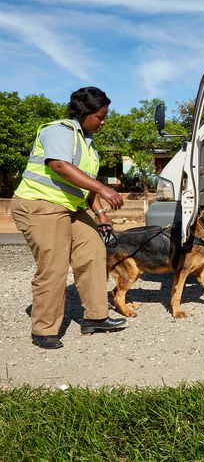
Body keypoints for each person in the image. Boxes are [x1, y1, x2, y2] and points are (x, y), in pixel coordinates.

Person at [11, 87, 128, 349]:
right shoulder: (59, 131)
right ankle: (44, 329)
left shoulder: (87, 143)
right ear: (85, 113)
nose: (103, 122)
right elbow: (60, 166)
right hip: (41, 204)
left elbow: (84, 182)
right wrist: (104, 189)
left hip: (71, 207)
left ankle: (95, 317)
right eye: (100, 117)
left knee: (93, 252)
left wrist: (100, 213)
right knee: (54, 265)